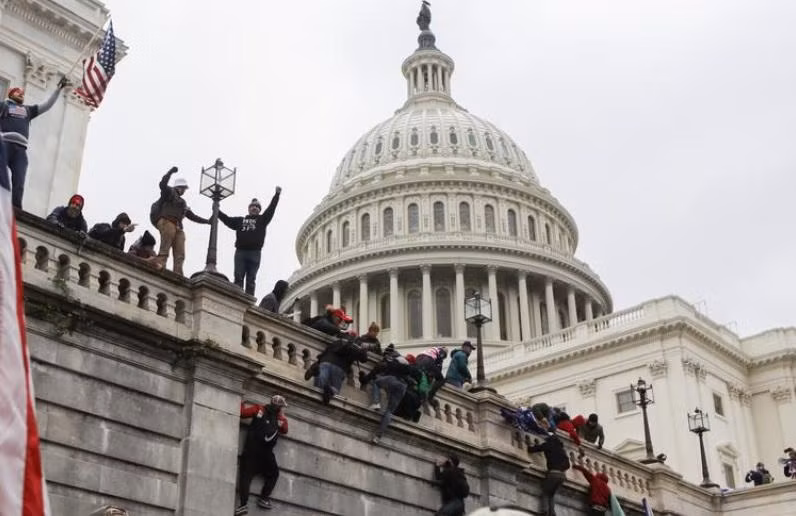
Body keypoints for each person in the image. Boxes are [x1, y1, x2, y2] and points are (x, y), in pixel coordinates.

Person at [1, 77, 68, 208]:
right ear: (10, 94)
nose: (21, 94)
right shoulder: (4, 106)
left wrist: (58, 89)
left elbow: (47, 105)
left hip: (20, 150)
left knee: (19, 181)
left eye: (22, 93)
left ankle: (16, 209)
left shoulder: (28, 110)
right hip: (4, 145)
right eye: (17, 91)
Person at [218, 190, 281, 295]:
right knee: (238, 276)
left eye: (257, 207)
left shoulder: (262, 220)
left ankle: (249, 301)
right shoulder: (240, 221)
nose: (254, 208)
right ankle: (236, 297)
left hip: (255, 253)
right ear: (249, 208)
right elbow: (227, 220)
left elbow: (271, 208)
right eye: (252, 206)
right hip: (241, 252)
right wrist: (217, 211)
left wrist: (276, 195)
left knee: (251, 279)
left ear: (259, 210)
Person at [150, 166, 210, 275]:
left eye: (185, 189)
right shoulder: (169, 192)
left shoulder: (183, 203)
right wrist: (170, 172)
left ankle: (178, 273)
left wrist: (207, 221)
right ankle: (160, 265)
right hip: (167, 222)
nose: (184, 191)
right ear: (178, 187)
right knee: (165, 248)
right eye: (183, 188)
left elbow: (192, 216)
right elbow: (162, 184)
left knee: (180, 253)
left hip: (177, 227)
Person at [236, 395, 289, 515]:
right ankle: (264, 498)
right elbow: (285, 429)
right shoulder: (279, 419)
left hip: (251, 452)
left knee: (245, 477)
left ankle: (243, 505)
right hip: (266, 456)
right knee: (274, 474)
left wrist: (241, 403)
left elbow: (242, 413)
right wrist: (282, 417)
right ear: (280, 407)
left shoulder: (258, 409)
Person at [370, 350, 421, 444]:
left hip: (393, 379)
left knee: (376, 383)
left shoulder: (397, 360)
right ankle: (378, 436)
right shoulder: (410, 368)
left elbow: (385, 367)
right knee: (389, 411)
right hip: (402, 387)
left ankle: (376, 403)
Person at [314, 335, 368, 404]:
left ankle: (317, 375)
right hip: (339, 367)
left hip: (325, 361)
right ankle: (330, 389)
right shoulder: (356, 348)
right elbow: (364, 359)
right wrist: (364, 350)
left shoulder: (338, 341)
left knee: (318, 387)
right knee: (335, 390)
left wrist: (319, 361)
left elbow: (325, 352)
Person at [527, 435, 570, 516]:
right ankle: (552, 513)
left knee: (545, 493)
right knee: (551, 494)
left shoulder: (548, 445)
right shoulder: (562, 450)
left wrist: (528, 446)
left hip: (553, 474)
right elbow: (568, 465)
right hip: (562, 476)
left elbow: (534, 449)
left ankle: (544, 511)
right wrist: (560, 468)